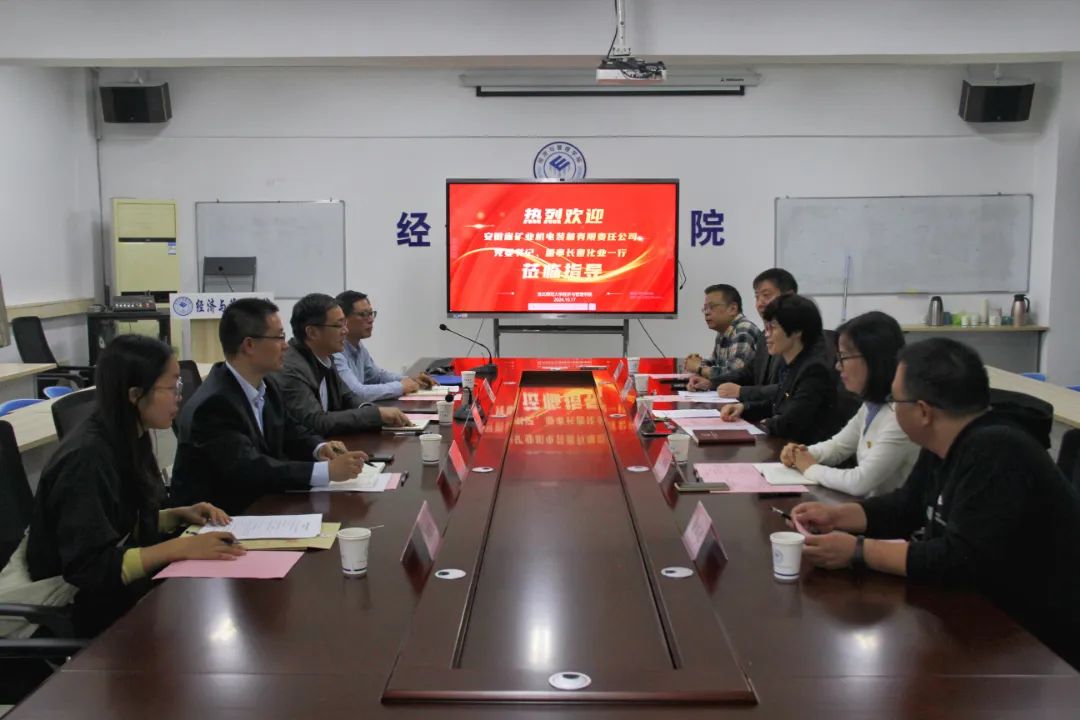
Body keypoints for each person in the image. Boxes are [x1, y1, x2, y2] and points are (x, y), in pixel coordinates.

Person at [793, 338, 1080, 669]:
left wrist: (858, 551)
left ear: (923, 412)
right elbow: (907, 506)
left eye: (895, 400)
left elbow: (960, 559)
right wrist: (837, 516)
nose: (892, 407)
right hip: (978, 618)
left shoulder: (998, 451)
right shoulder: (943, 441)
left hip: (1035, 642)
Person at [17, 335, 243, 637]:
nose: (179, 396)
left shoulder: (129, 435)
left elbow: (116, 519)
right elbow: (90, 568)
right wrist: (180, 547)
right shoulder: (87, 459)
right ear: (135, 395)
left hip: (112, 592)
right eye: (171, 387)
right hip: (73, 607)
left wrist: (174, 515)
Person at [171, 298, 369, 515]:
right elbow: (252, 469)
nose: (286, 345)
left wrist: (320, 448)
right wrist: (326, 471)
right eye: (279, 337)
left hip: (263, 504)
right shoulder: (214, 404)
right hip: (222, 517)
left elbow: (291, 431)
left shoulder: (267, 384)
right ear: (249, 345)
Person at [780, 311, 919, 497]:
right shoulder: (872, 405)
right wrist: (800, 453)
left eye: (843, 357)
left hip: (891, 514)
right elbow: (838, 447)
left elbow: (859, 482)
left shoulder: (901, 416)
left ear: (872, 359)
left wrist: (810, 468)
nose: (838, 366)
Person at [277, 293, 410, 437]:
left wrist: (373, 411)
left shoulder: (326, 356)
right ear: (312, 332)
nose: (345, 331)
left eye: (345, 323)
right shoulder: (292, 369)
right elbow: (316, 422)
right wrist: (375, 415)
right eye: (338, 325)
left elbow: (348, 397)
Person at [719, 294, 837, 444]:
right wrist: (743, 408)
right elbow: (778, 404)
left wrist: (766, 423)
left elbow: (790, 422)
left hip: (804, 450)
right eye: (766, 328)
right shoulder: (791, 365)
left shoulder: (813, 370)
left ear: (796, 331)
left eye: (772, 328)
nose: (766, 335)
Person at [333, 290, 435, 402]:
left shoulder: (358, 346)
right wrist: (401, 387)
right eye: (363, 314)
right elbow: (356, 393)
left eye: (371, 313)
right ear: (344, 320)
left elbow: (377, 376)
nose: (371, 320)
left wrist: (410, 380)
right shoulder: (335, 352)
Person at [715, 268, 798, 399]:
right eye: (757, 297)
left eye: (766, 295)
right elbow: (750, 372)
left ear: (789, 296)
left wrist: (742, 392)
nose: (760, 303)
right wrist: (711, 383)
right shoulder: (764, 335)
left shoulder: (799, 337)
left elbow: (790, 389)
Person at [685, 284, 763, 392]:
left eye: (712, 307)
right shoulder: (724, 332)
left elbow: (734, 374)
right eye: (705, 308)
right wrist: (695, 363)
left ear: (732, 308)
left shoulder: (744, 330)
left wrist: (699, 368)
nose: (706, 313)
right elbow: (714, 362)